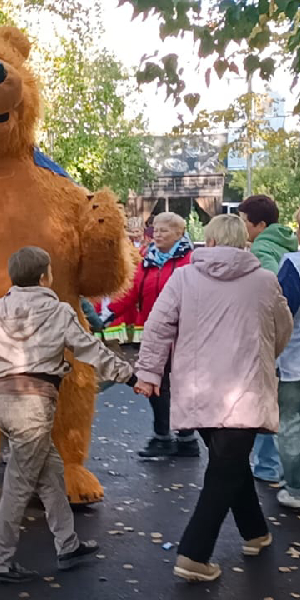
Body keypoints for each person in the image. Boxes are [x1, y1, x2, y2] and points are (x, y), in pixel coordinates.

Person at [0, 246, 134, 585]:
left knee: (51, 473)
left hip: (4, 401)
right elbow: (91, 351)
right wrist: (130, 376)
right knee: (17, 488)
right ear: (44, 276)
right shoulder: (58, 312)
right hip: (34, 404)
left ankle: (68, 544)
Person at [134, 215, 293, 582]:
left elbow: (158, 326)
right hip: (245, 389)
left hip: (196, 389)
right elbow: (280, 330)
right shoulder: (266, 282)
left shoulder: (184, 278)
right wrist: (263, 356)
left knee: (227, 464)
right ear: (242, 241)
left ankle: (256, 532)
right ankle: (193, 554)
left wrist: (148, 373)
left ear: (209, 239)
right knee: (225, 468)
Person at [104, 212, 197, 458]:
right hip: (154, 332)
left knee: (181, 386)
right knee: (156, 384)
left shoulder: (190, 260)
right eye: (155, 229)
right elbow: (132, 291)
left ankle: (186, 439)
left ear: (179, 233)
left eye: (164, 230)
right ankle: (163, 436)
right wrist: (108, 314)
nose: (157, 234)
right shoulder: (148, 259)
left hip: (183, 333)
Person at [239, 194, 299, 484]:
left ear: (259, 224)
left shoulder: (263, 246)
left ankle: (268, 467)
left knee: (270, 406)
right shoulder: (285, 242)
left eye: (243, 221)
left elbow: (274, 294)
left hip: (280, 346)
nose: (242, 228)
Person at [275, 207, 300, 508]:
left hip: (294, 362)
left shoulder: (294, 265)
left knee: (292, 422)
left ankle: (295, 487)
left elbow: (282, 313)